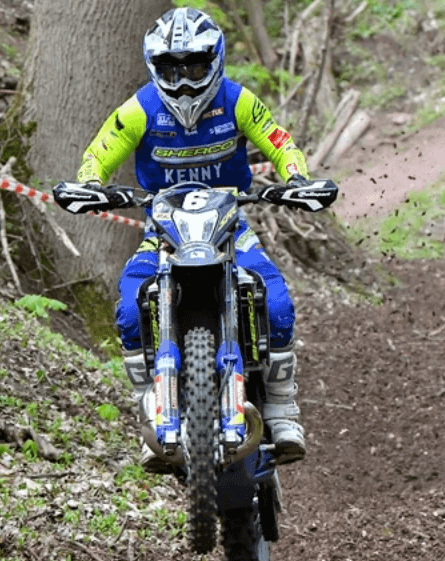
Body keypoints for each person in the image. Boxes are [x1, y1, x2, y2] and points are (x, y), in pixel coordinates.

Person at [53, 7, 313, 473]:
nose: (185, 79)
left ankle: (282, 410)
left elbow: (280, 142)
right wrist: (89, 182)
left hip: (230, 226)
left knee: (275, 303)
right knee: (132, 308)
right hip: (164, 231)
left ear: (214, 60)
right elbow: (99, 153)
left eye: (195, 66)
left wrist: (295, 177)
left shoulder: (237, 100)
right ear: (155, 67)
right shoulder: (139, 108)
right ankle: (154, 415)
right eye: (172, 69)